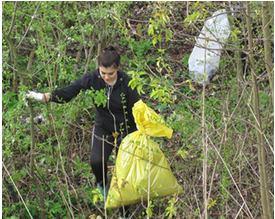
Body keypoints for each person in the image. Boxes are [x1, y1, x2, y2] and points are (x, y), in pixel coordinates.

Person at [26, 46, 140, 217]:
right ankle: (102, 185)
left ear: (117, 68)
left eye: (110, 73)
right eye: (103, 73)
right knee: (96, 161)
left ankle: (125, 210)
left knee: (124, 172)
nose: (106, 77)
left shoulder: (127, 83)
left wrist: (141, 132)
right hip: (104, 126)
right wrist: (45, 97)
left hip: (126, 129)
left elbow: (139, 109)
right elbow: (71, 91)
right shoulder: (92, 79)